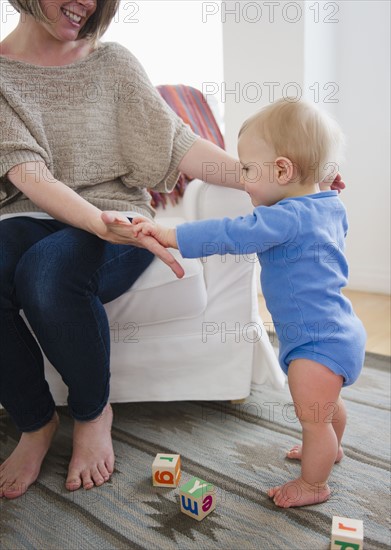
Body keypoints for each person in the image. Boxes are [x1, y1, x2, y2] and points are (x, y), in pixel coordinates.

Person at [0, 0, 274, 499]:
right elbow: (28, 174)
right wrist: (93, 221)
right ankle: (35, 421)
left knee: (48, 275)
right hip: (29, 214)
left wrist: (272, 180)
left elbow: (178, 145)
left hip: (120, 218)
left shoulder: (114, 63)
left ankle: (91, 411)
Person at [131, 98, 366, 508]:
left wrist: (172, 235)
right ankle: (330, 447)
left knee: (313, 417)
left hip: (314, 343)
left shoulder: (282, 218)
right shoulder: (328, 205)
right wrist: (324, 184)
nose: (241, 178)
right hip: (339, 331)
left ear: (282, 170)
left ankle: (314, 483)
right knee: (327, 407)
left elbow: (231, 234)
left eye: (246, 170)